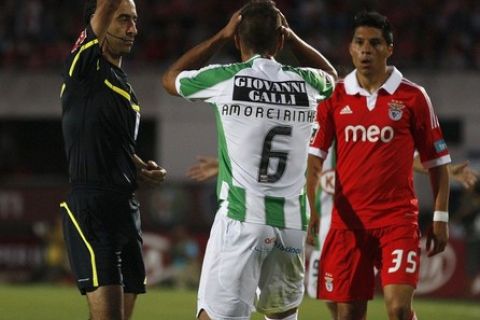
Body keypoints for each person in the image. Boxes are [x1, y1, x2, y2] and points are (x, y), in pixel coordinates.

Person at [162, 1, 337, 319]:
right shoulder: (306, 83)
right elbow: (332, 76)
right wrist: (294, 37)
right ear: (281, 41)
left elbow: (171, 78)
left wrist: (219, 37)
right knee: (281, 316)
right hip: (292, 225)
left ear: (237, 39)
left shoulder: (227, 79)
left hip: (242, 219)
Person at [186, 153, 477, 319]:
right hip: (321, 235)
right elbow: (276, 157)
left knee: (367, 304)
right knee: (331, 300)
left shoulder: (356, 134)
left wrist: (446, 170)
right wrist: (226, 164)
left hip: (356, 231)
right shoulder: (314, 133)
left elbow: (403, 157)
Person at [306, 11, 451, 320]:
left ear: (389, 49)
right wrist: (312, 210)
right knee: (347, 315)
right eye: (359, 42)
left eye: (374, 43)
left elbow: (438, 162)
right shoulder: (335, 97)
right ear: (350, 48)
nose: (365, 50)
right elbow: (314, 158)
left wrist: (440, 216)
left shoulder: (413, 97)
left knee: (398, 309)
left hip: (397, 220)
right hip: (348, 224)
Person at [60, 1, 166, 319]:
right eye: (123, 20)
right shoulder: (84, 68)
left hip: (125, 208)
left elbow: (112, 142)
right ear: (99, 22)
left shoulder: (120, 82)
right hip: (93, 206)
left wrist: (141, 167)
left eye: (134, 20)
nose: (132, 28)